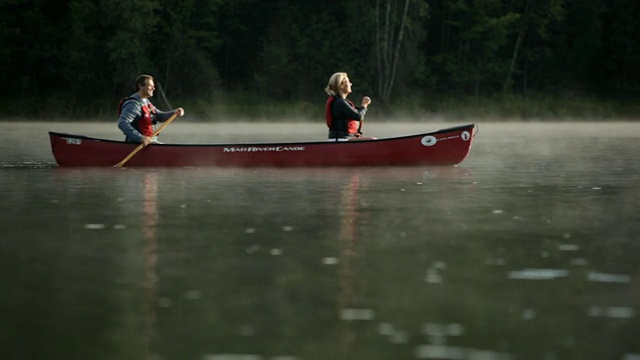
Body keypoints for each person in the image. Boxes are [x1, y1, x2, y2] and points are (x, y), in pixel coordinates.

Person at [117, 74, 185, 146]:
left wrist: (175, 112)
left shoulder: (146, 101)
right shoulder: (133, 104)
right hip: (138, 145)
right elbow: (122, 123)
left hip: (150, 144)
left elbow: (160, 116)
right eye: (150, 86)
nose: (153, 88)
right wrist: (140, 138)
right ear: (140, 86)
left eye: (153, 86)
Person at [325, 72, 372, 141]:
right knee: (371, 140)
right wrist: (364, 105)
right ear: (341, 85)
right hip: (340, 139)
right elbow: (358, 116)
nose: (351, 84)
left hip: (344, 139)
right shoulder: (339, 102)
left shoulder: (340, 102)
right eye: (348, 82)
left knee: (370, 140)